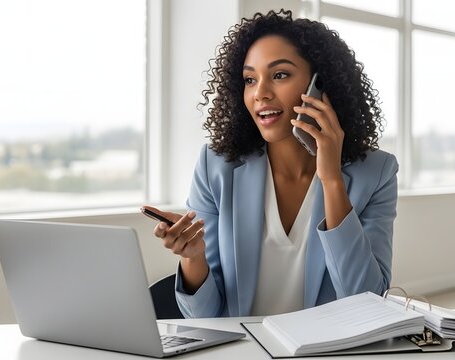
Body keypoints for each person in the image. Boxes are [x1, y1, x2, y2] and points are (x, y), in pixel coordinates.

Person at [147, 9, 398, 318]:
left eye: (280, 75)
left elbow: (367, 303)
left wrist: (331, 178)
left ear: (320, 86)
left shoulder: (376, 173)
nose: (260, 94)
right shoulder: (215, 167)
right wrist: (194, 257)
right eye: (250, 79)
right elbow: (204, 317)